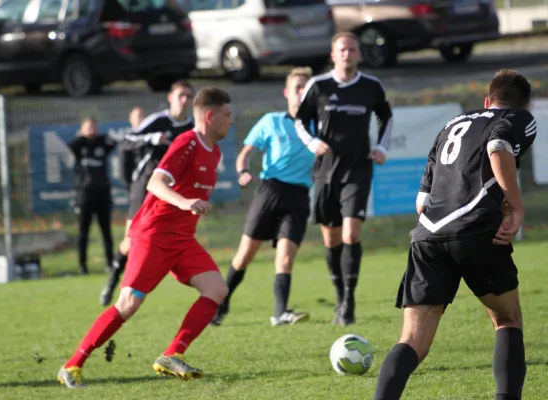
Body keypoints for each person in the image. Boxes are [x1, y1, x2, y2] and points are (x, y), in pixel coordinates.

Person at [373, 69, 536, 400]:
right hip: (477, 231)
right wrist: (516, 207)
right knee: (507, 320)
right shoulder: (519, 117)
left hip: (428, 236)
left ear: (486, 100)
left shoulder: (451, 125)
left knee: (413, 341)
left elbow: (421, 202)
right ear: (524, 104)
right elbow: (498, 144)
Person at [57, 87, 233, 388]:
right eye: (227, 115)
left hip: (182, 240)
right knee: (128, 304)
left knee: (217, 289)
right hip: (153, 236)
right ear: (209, 115)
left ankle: (170, 355)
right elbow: (155, 182)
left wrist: (190, 205)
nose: (231, 120)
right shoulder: (186, 142)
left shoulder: (213, 151)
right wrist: (184, 202)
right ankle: (72, 365)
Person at [294, 32, 393, 325]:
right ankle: (339, 297)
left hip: (358, 169)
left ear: (359, 54)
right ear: (333, 54)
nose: (347, 53)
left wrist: (382, 147)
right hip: (325, 171)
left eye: (352, 49)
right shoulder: (318, 85)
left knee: (351, 234)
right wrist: (313, 143)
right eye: (342, 49)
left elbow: (386, 117)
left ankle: (349, 302)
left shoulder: (371, 86)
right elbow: (300, 120)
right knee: (332, 238)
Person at [210, 67, 316, 327]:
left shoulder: (318, 125)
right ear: (286, 93)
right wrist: (242, 171)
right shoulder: (272, 121)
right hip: (271, 191)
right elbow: (245, 154)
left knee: (286, 257)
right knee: (245, 254)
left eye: (307, 88)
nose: (302, 93)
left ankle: (280, 313)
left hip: (299, 196)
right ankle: (218, 307)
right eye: (297, 88)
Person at [100, 81, 195, 306]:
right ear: (170, 97)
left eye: (189, 96)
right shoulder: (158, 121)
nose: (185, 100)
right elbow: (126, 141)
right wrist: (150, 138)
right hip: (145, 186)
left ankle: (142, 287)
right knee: (131, 242)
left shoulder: (192, 126)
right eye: (181, 95)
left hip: (172, 191)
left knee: (171, 238)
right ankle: (113, 282)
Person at [68, 118, 117, 275]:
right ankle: (83, 266)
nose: (91, 130)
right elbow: (70, 146)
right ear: (81, 129)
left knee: (106, 232)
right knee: (83, 233)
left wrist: (100, 136)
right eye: (88, 127)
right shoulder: (79, 145)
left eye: (93, 126)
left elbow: (114, 143)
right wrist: (82, 136)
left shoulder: (102, 143)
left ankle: (110, 263)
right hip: (84, 196)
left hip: (102, 194)